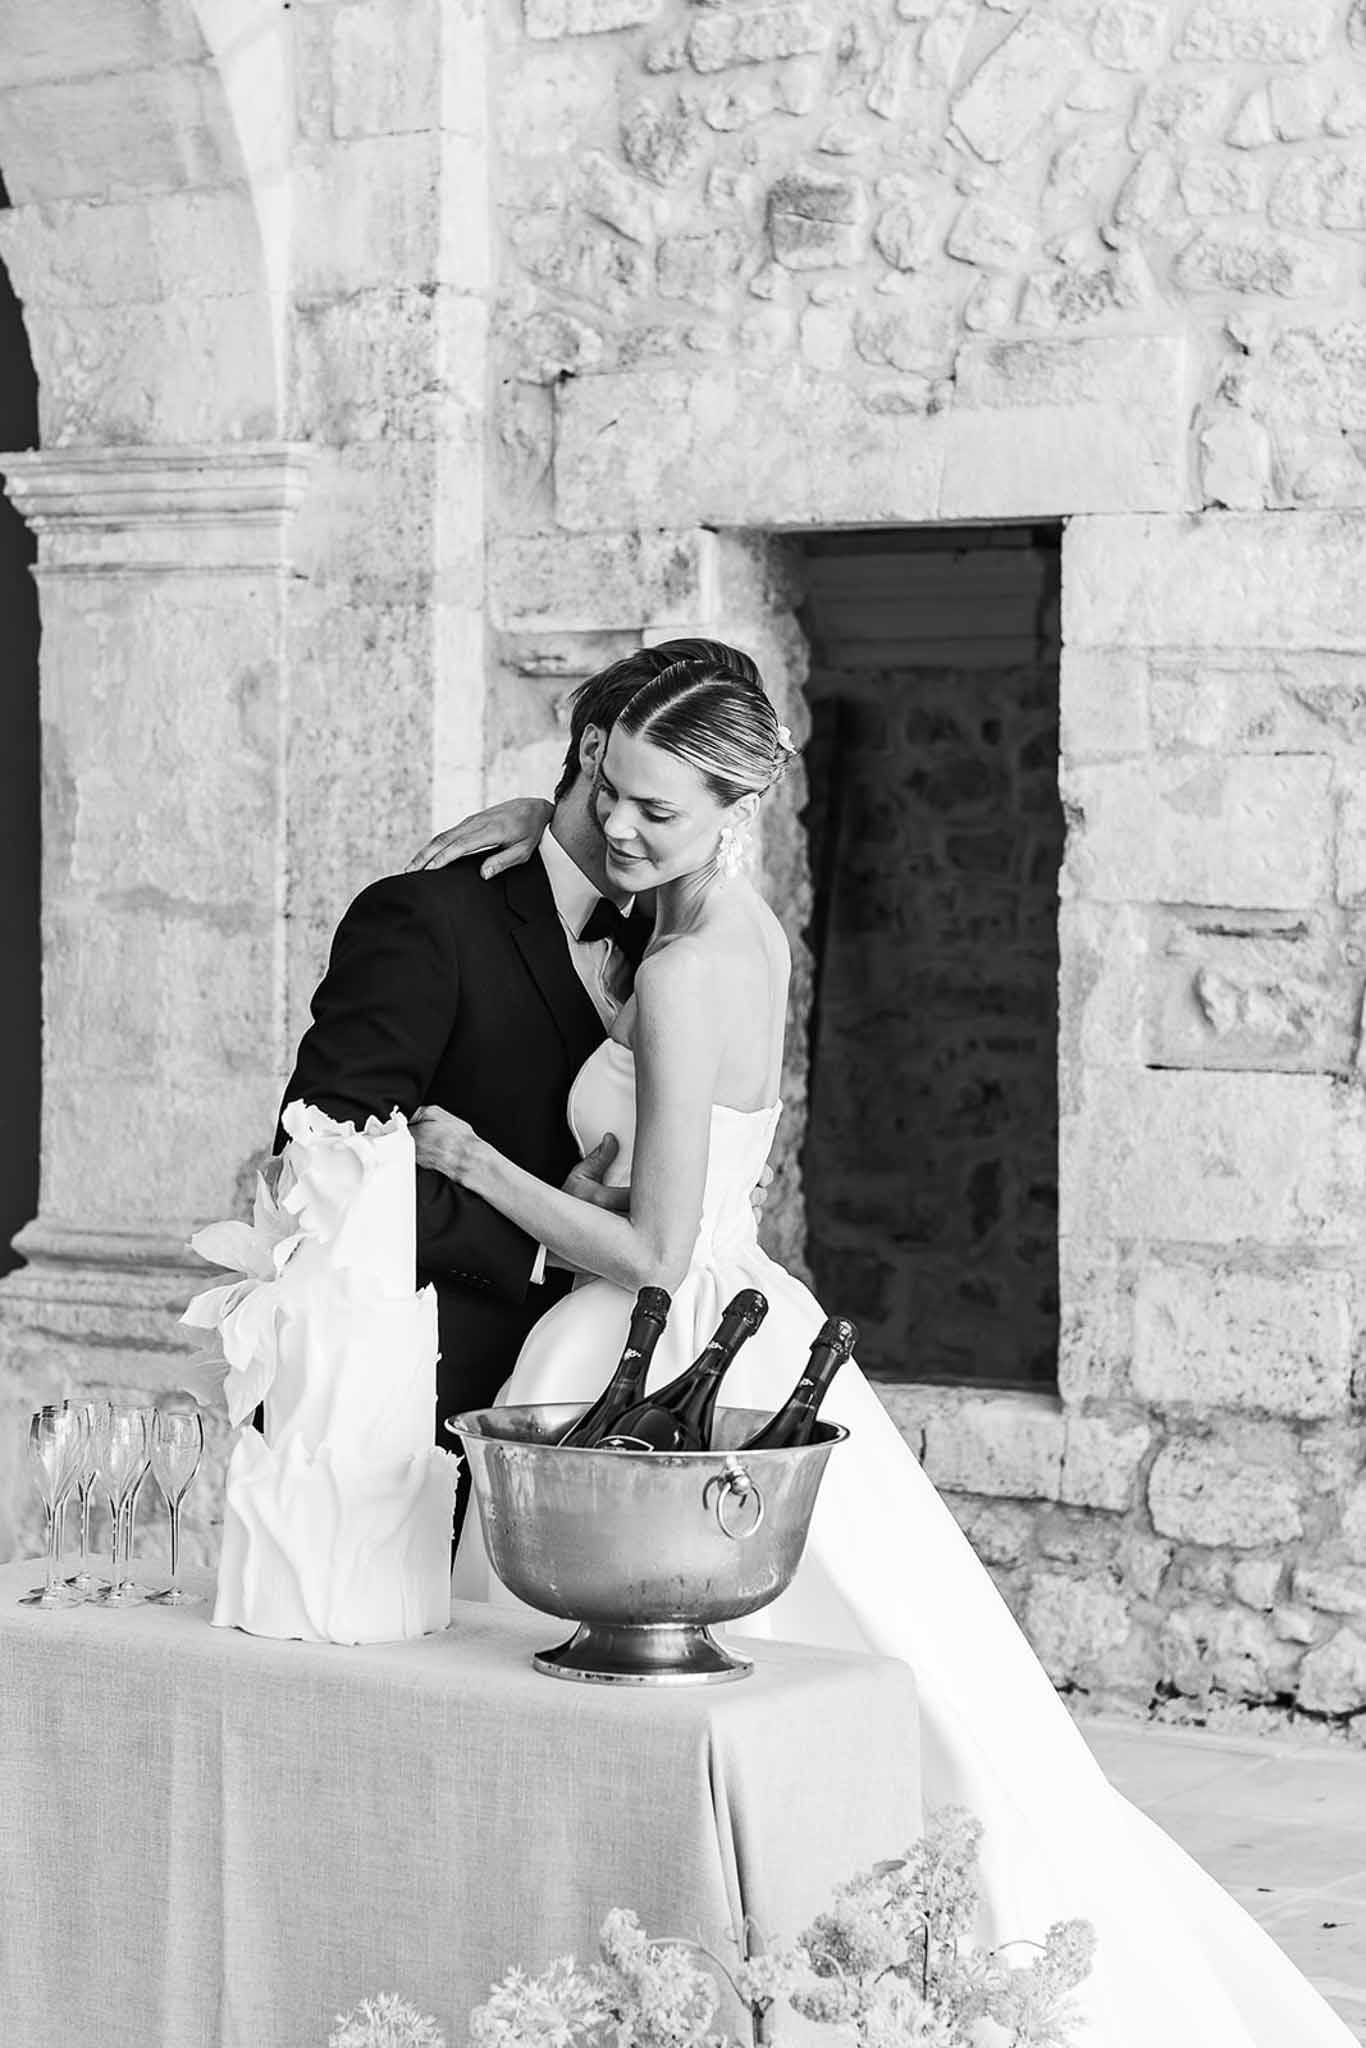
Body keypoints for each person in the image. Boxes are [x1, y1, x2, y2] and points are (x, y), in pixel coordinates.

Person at [407, 648, 1357, 2048]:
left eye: (655, 812)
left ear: (733, 805)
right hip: (729, 1318)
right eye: (609, 790)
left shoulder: (684, 974)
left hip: (660, 1345)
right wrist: (515, 824)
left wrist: (475, 1161)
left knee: (716, 1691)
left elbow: (659, 1257)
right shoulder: (732, 925)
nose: (617, 827)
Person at [277, 639, 759, 1495]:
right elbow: (318, 1169)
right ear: (596, 751)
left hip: (617, 1395)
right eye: (626, 794)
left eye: (665, 805)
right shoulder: (430, 918)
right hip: (423, 1413)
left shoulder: (681, 931)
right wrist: (546, 1246)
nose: (628, 826)